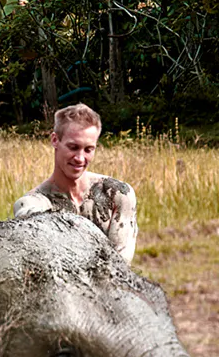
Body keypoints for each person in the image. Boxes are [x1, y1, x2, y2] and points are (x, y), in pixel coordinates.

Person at [13, 103, 138, 262]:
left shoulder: (117, 194)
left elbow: (121, 266)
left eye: (88, 150)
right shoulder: (33, 203)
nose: (80, 158)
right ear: (55, 140)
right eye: (73, 147)